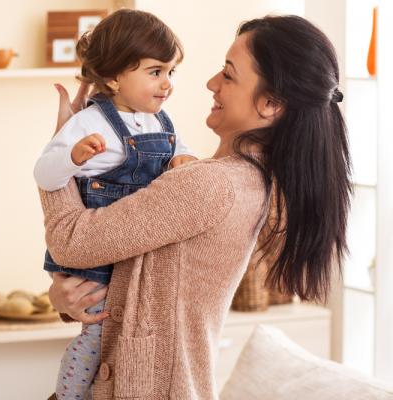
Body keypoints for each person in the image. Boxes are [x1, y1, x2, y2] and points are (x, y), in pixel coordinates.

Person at [41, 15, 352, 400]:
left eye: (228, 74)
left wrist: (60, 155)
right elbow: (135, 280)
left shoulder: (210, 185)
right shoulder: (241, 180)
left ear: (270, 104)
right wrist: (68, 299)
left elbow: (72, 242)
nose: (211, 84)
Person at [34, 9, 195, 399]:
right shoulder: (89, 123)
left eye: (171, 72)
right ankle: (68, 394)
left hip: (132, 252)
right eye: (155, 72)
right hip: (96, 258)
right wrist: (72, 156)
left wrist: (183, 160)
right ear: (112, 77)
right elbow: (45, 174)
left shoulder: (159, 122)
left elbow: (178, 150)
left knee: (118, 341)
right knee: (96, 336)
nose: (167, 84)